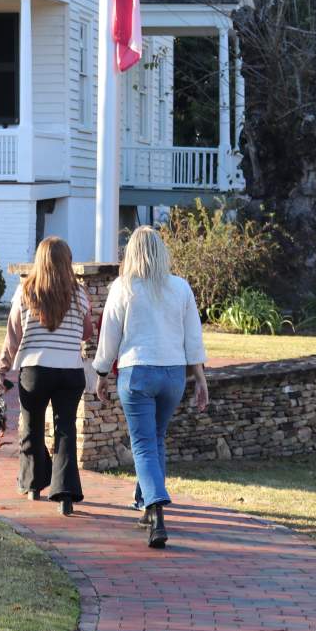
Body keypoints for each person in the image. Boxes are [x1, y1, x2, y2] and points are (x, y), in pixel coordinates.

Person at [93, 226, 209, 548]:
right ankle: (145, 505)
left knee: (142, 443)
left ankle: (156, 508)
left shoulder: (124, 286)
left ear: (131, 252)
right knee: (156, 438)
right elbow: (192, 337)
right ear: (161, 252)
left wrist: (101, 373)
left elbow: (110, 337)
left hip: (137, 371)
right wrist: (200, 378)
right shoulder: (180, 287)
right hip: (173, 375)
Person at [0, 237, 93, 516]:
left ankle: (33, 484)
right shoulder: (78, 293)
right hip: (70, 371)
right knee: (66, 430)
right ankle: (66, 493)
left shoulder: (25, 292)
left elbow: (13, 337)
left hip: (34, 370)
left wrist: (0, 371)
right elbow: (86, 333)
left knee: (31, 427)